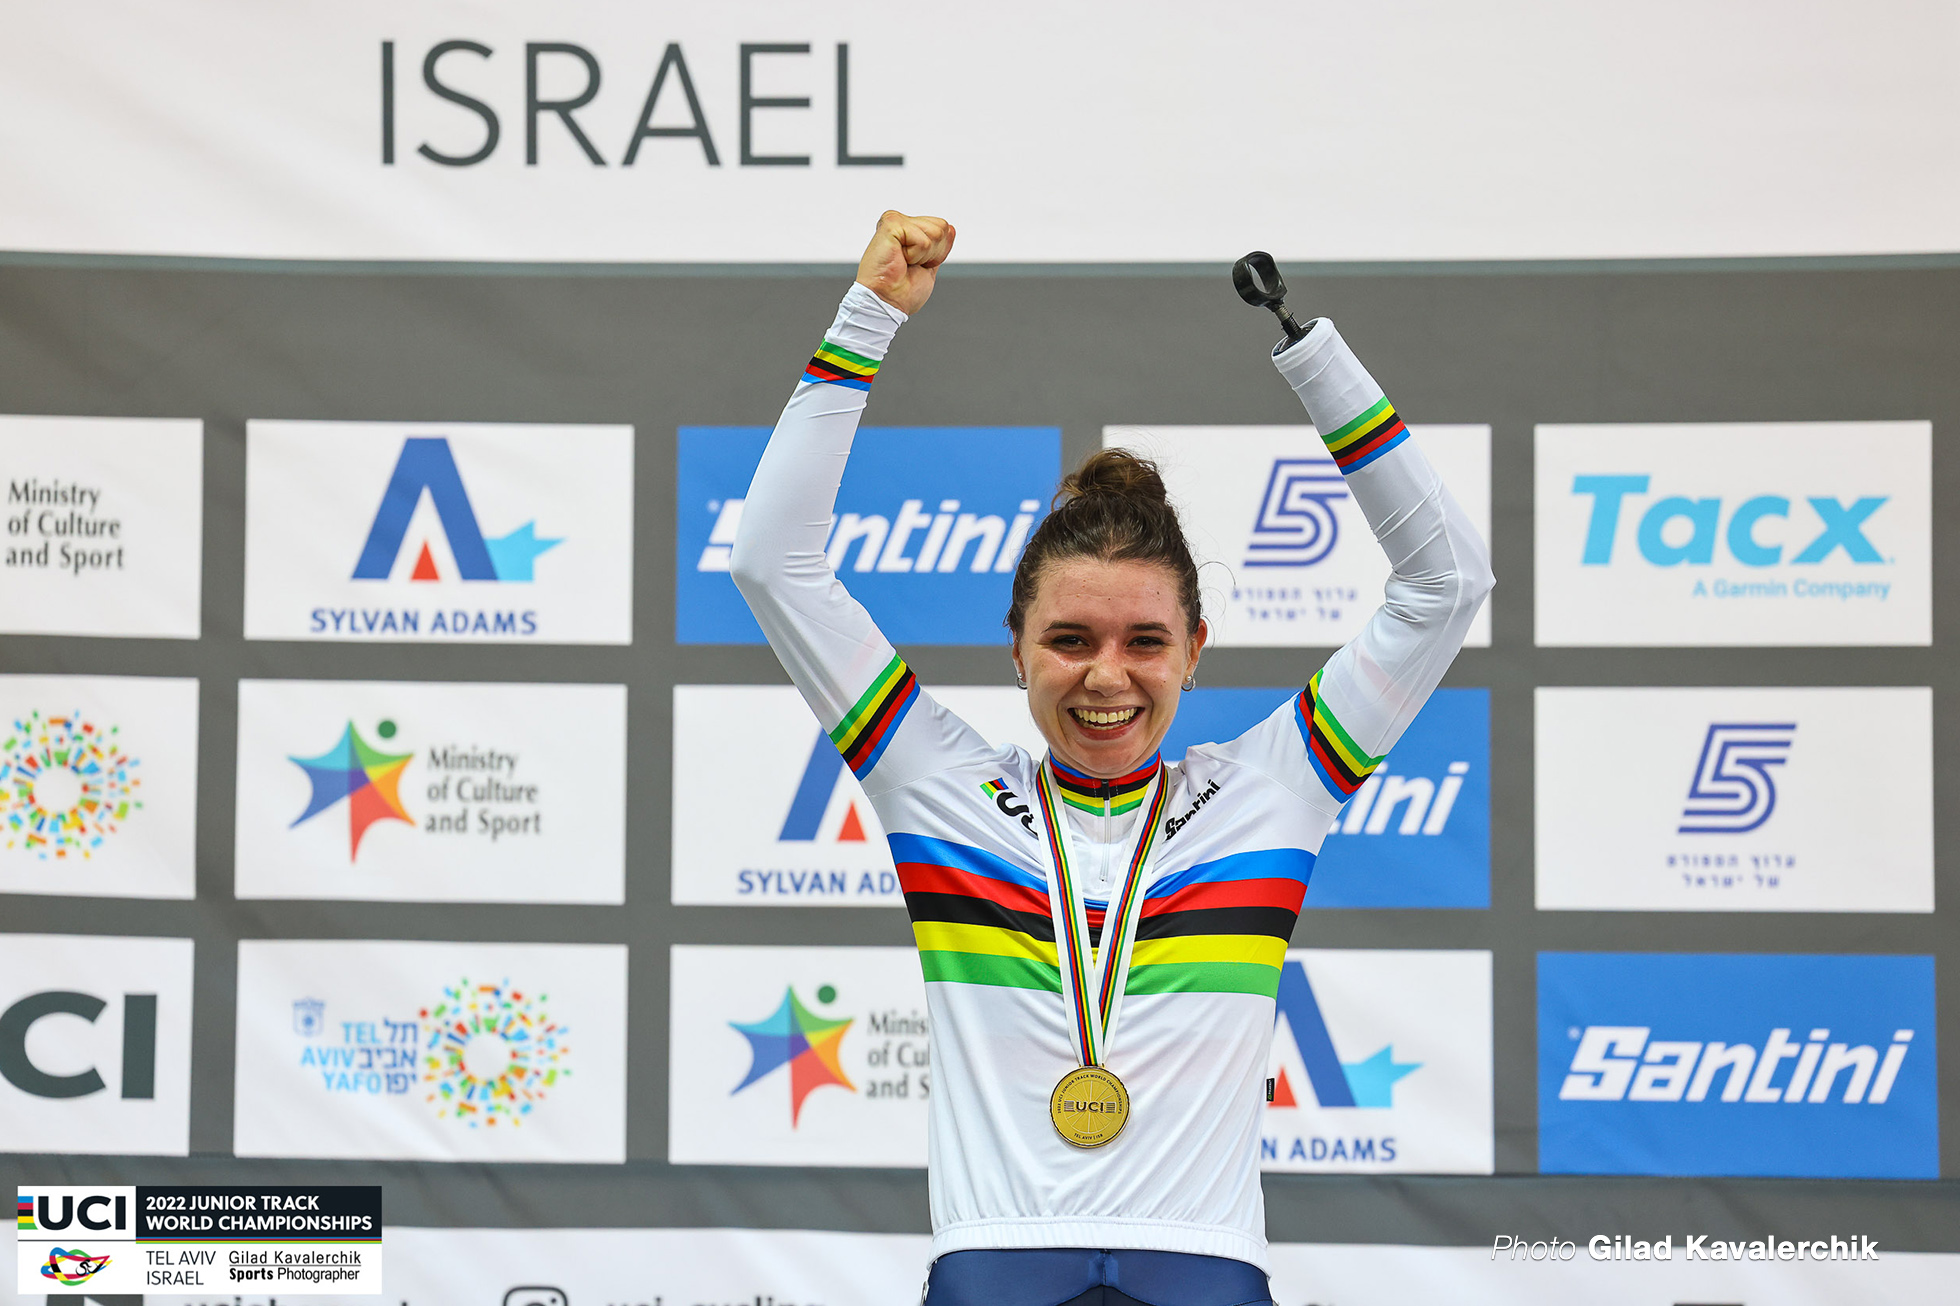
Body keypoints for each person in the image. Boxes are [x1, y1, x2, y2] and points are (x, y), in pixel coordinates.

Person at [730, 212, 1493, 1306]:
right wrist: (868, 319)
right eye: (1069, 640)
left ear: (1195, 648)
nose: (1106, 677)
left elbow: (1447, 584)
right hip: (997, 1256)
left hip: (1207, 1268)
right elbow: (770, 560)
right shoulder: (937, 784)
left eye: (1145, 642)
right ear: (1016, 648)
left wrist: (1309, 353)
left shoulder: (1274, 790)